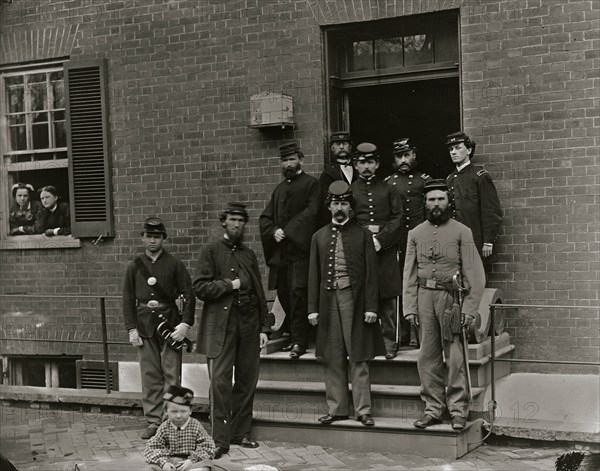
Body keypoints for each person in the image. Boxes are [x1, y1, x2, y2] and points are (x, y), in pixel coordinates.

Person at [403, 179, 485, 431]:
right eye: (431, 199)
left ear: (448, 201)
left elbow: (476, 275)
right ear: (425, 203)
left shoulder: (462, 231)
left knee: (456, 357)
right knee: (426, 358)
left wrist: (470, 309)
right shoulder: (415, 234)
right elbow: (409, 273)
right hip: (424, 297)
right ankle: (433, 409)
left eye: (440, 199)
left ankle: (459, 410)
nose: (435, 204)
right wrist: (410, 307)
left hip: (452, 301)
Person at [194, 203, 272, 459]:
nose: (237, 224)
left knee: (248, 380)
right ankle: (220, 439)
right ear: (223, 222)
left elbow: (260, 292)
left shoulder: (249, 254)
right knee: (220, 383)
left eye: (241, 220)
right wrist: (230, 284)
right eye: (233, 220)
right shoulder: (210, 251)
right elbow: (200, 288)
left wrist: (264, 327)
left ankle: (241, 432)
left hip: (249, 325)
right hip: (221, 328)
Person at [308, 181, 385, 427]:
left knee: (358, 354)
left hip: (355, 299)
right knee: (332, 354)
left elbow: (372, 275)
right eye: (335, 204)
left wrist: (371, 307)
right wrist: (312, 308)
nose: (339, 208)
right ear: (329, 206)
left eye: (343, 203)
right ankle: (337, 408)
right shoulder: (318, 236)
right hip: (328, 300)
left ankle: (363, 410)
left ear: (350, 207)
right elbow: (313, 276)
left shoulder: (363, 234)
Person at [123, 217, 196, 439]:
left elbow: (189, 295)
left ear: (163, 238)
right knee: (150, 375)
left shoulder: (175, 264)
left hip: (170, 325)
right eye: (149, 236)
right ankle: (154, 422)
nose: (153, 240)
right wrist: (131, 329)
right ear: (143, 237)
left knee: (172, 376)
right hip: (144, 326)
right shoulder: (134, 266)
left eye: (157, 236)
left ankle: (172, 423)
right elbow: (127, 299)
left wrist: (184, 324)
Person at [259, 142, 319, 359]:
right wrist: (273, 230)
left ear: (301, 160)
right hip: (282, 254)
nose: (288, 164)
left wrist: (289, 230)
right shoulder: (279, 189)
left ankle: (300, 342)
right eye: (284, 161)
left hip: (301, 253)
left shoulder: (312, 184)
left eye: (292, 159)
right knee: (284, 293)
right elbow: (265, 217)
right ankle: (294, 336)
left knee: (298, 293)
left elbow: (312, 212)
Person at [350, 143, 403, 359]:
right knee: (362, 295)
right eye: (362, 162)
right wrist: (363, 241)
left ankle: (390, 342)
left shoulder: (389, 189)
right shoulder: (351, 190)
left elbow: (398, 218)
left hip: (385, 250)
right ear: (355, 164)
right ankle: (366, 342)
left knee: (389, 294)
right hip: (361, 252)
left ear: (377, 164)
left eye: (370, 162)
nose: (366, 166)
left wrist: (380, 240)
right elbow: (348, 220)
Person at [385, 138, 432, 347]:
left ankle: (422, 336)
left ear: (414, 155)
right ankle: (402, 335)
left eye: (407, 155)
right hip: (398, 244)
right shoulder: (388, 183)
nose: (403, 160)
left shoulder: (425, 181)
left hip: (420, 241)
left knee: (422, 285)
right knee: (401, 287)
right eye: (399, 156)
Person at [445, 131, 502, 263]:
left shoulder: (480, 176)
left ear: (469, 150)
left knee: (475, 279)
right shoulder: (449, 179)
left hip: (474, 239)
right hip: (453, 241)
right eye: (451, 149)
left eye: (458, 148)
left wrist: (488, 241)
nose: (453, 152)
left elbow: (491, 211)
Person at [143, 384, 216, 471]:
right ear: (166, 411)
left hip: (191, 463)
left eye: (183, 411)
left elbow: (208, 446)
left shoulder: (196, 425)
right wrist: (164, 463)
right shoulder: (164, 427)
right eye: (174, 411)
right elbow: (152, 447)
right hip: (170, 463)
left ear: (190, 411)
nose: (178, 416)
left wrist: (192, 460)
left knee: (207, 465)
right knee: (150, 467)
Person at [317, 131, 358, 227]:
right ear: (332, 148)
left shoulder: (359, 168)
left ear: (350, 146)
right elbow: (324, 205)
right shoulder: (327, 174)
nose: (341, 147)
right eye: (337, 144)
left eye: (345, 143)